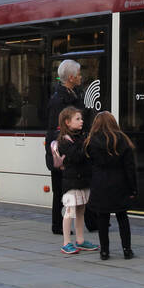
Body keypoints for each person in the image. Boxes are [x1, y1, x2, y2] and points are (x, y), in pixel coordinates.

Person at [85, 111, 137, 260]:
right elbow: (130, 168)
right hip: (119, 183)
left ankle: (104, 251)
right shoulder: (123, 140)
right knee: (122, 217)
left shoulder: (91, 141)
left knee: (102, 219)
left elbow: (89, 166)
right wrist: (133, 188)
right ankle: (127, 249)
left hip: (100, 183)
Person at [45, 59, 86, 236]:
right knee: (60, 189)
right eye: (78, 74)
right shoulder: (60, 100)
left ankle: (83, 221)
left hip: (68, 147)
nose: (81, 77)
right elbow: (57, 129)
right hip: (63, 150)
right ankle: (57, 224)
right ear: (71, 77)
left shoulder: (73, 94)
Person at [52, 106, 94, 254]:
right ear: (67, 122)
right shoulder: (64, 140)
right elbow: (76, 156)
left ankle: (80, 240)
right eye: (78, 119)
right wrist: (85, 143)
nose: (81, 121)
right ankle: (66, 242)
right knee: (70, 211)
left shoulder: (80, 136)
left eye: (81, 118)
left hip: (82, 181)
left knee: (81, 210)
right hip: (71, 182)